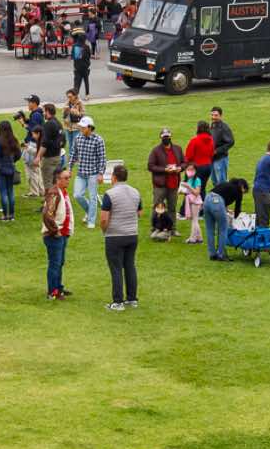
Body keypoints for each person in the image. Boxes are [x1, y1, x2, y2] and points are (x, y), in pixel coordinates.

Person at [99, 164, 142, 310]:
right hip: (132, 234)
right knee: (130, 266)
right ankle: (132, 299)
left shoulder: (110, 194)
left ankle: (118, 302)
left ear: (114, 177)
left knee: (116, 268)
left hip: (115, 235)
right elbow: (139, 213)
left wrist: (105, 231)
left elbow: (104, 219)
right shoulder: (135, 192)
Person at [41, 166, 75, 299]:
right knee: (55, 264)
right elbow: (47, 215)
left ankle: (58, 288)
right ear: (57, 179)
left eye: (69, 178)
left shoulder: (63, 192)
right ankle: (52, 292)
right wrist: (55, 231)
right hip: (54, 235)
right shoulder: (54, 193)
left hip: (62, 234)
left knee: (59, 263)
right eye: (66, 178)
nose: (68, 180)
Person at [71, 117, 108, 229]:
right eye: (81, 127)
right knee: (77, 195)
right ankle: (89, 211)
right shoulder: (78, 138)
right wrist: (69, 168)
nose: (81, 128)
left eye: (83, 127)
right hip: (81, 173)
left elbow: (102, 158)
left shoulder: (98, 140)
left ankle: (91, 221)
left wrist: (101, 173)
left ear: (90, 128)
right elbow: (73, 154)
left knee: (92, 197)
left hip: (93, 173)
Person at [146, 128, 185, 222]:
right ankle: (155, 227)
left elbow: (184, 162)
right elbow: (150, 166)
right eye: (164, 137)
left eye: (167, 136)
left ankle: (172, 228)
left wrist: (180, 168)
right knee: (157, 207)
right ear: (161, 138)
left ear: (170, 137)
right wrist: (164, 170)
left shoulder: (178, 149)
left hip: (174, 184)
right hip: (160, 185)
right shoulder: (155, 150)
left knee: (172, 208)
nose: (166, 138)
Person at [184, 120, 216, 194]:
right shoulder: (211, 140)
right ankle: (203, 201)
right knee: (202, 188)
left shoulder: (194, 140)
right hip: (208, 166)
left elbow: (189, 156)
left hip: (197, 167)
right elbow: (212, 154)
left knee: (192, 189)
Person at [207, 106, 234, 184]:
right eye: (212, 115)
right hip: (211, 159)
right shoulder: (211, 126)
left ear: (221, 116)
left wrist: (217, 151)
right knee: (214, 181)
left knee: (222, 182)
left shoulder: (224, 128)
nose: (213, 117)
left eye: (216, 115)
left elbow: (230, 142)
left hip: (220, 159)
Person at [70, 30, 92, 97]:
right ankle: (87, 94)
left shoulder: (74, 46)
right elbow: (89, 56)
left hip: (77, 66)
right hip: (85, 66)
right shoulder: (86, 46)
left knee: (77, 82)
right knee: (86, 81)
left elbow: (72, 56)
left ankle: (76, 94)